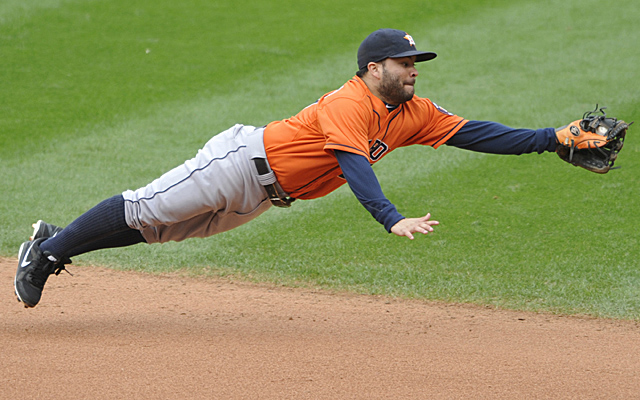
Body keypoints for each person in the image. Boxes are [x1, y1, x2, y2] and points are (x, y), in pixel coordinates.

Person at [14, 28, 604, 308]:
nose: (414, 69)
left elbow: (477, 133)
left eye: (416, 61)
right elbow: (355, 165)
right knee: (147, 207)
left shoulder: (414, 113)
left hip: (267, 195)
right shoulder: (350, 103)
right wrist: (390, 218)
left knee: (156, 230)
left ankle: (55, 242)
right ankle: (43, 254)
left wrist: (550, 139)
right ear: (375, 68)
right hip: (240, 162)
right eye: (405, 62)